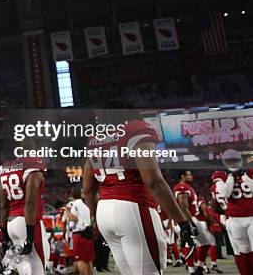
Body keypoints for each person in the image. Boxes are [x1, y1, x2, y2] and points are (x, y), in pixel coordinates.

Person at [83, 100, 196, 275]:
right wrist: (183, 222)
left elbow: (88, 189)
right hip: (132, 206)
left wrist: (96, 218)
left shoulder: (95, 139)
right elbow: (154, 182)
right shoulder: (137, 129)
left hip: (104, 211)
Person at [0, 157, 47, 274]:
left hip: (11, 222)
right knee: (38, 265)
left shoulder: (6, 168)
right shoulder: (33, 164)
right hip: (27, 222)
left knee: (23, 267)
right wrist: (30, 237)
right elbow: (30, 202)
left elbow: (3, 206)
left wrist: (4, 234)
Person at [214, 149, 253, 274]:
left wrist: (244, 175)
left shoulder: (250, 172)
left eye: (235, 160)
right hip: (234, 218)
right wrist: (230, 176)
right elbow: (225, 193)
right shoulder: (220, 174)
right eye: (229, 161)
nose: (233, 164)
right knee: (243, 249)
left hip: (251, 216)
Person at [63, 187, 94, 275]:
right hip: (88, 233)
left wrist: (67, 212)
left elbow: (73, 218)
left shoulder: (72, 205)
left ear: (72, 195)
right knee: (88, 259)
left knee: (80, 259)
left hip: (78, 234)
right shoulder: (86, 205)